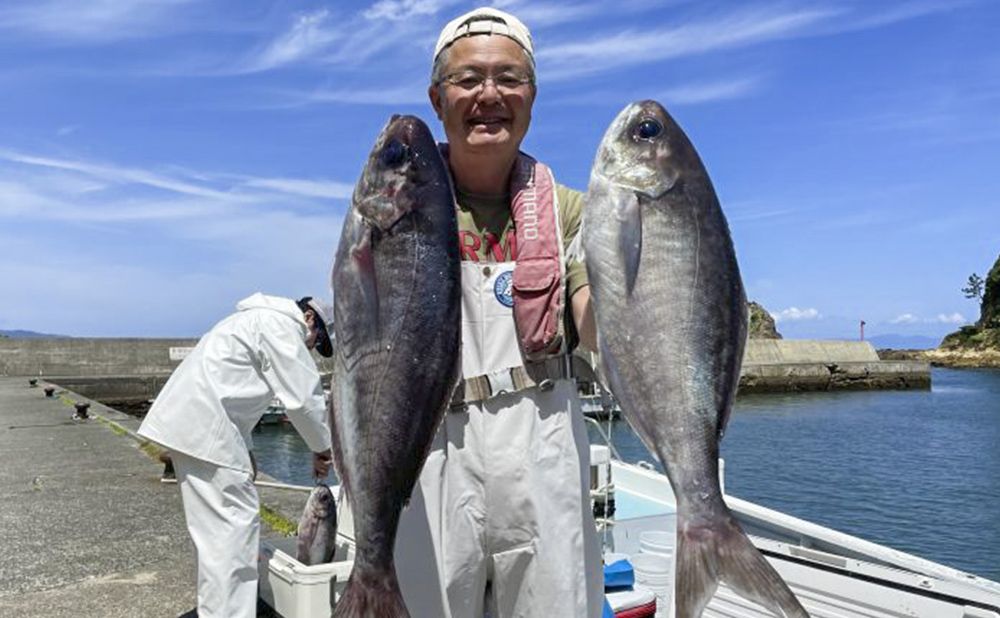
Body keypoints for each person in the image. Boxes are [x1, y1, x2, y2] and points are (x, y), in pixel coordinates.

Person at [392, 7, 603, 618]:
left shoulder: (569, 210)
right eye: (468, 80)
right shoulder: (399, 205)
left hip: (543, 455)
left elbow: (592, 318)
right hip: (425, 454)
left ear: (532, 95)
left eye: (509, 78)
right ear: (437, 98)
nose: (490, 95)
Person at [138, 292, 335, 618]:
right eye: (316, 343)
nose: (311, 349)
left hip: (196, 428)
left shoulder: (251, 320)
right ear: (310, 319)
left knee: (214, 538)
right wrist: (322, 448)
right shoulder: (281, 325)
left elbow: (234, 390)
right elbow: (303, 398)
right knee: (234, 537)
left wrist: (247, 449)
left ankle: (215, 610)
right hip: (208, 431)